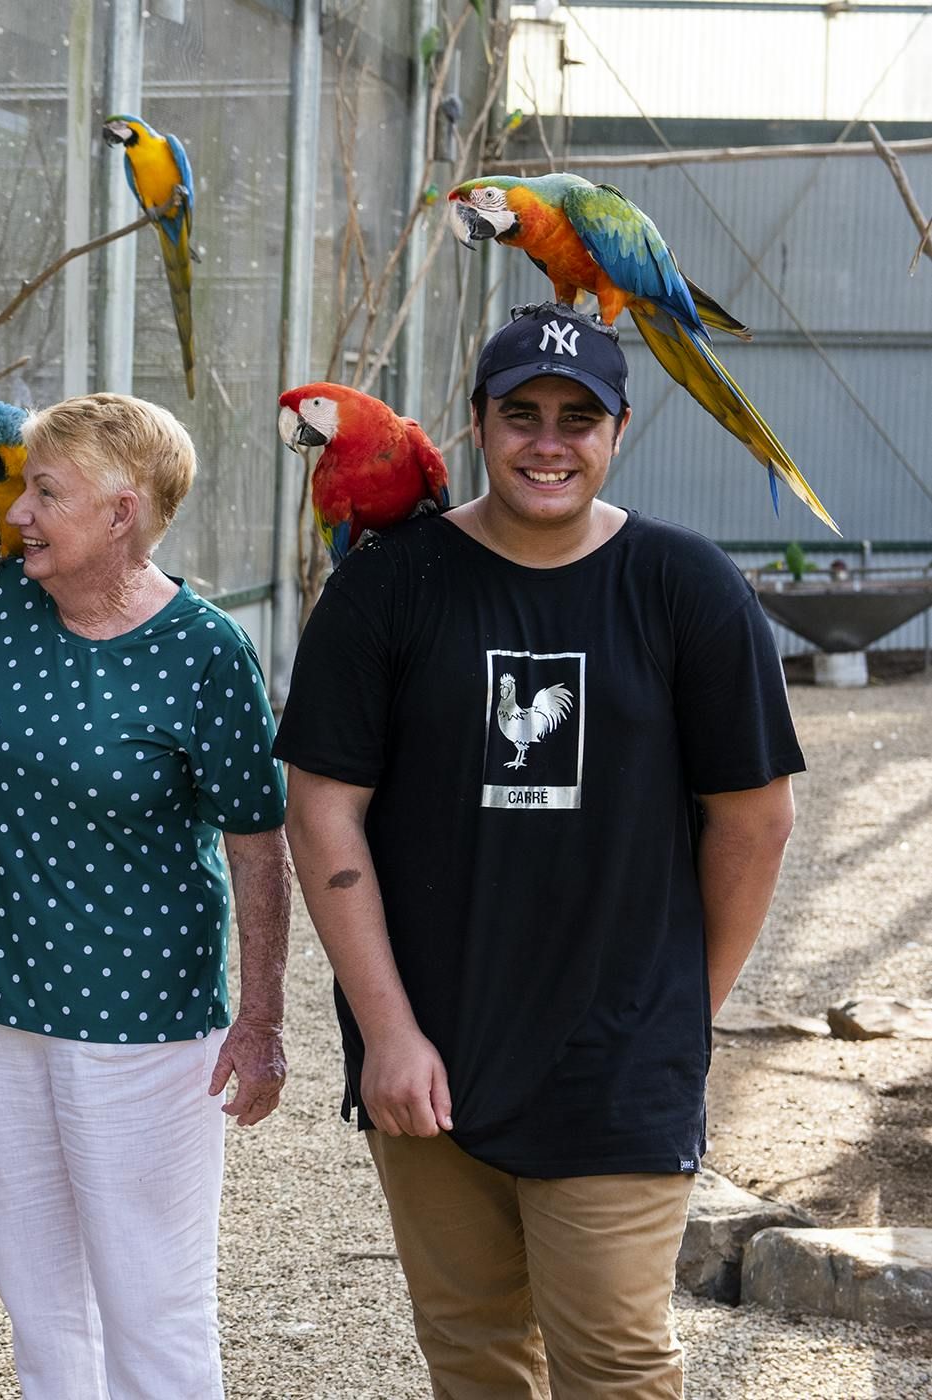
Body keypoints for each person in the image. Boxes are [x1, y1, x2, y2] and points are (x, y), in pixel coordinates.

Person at [276, 302, 802, 1399]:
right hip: (430, 1053)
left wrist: (678, 1009)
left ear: (620, 429)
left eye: (577, 415)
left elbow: (754, 818)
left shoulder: (686, 587)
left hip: (616, 1060)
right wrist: (387, 1030)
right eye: (521, 413)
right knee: (472, 1352)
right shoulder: (388, 585)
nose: (547, 440)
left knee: (613, 1362)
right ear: (477, 424)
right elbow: (323, 806)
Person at [0, 392, 294, 1400]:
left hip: (141, 1017)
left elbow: (256, 837)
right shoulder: (10, 601)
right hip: (4, 1003)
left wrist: (262, 1016)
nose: (19, 513)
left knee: (150, 1295)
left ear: (121, 512)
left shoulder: (203, 649)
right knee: (35, 1286)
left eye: (46, 493)